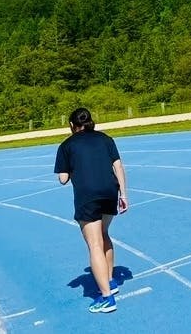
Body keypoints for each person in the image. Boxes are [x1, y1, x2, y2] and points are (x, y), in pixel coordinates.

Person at [54, 108, 128, 314]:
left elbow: (63, 178)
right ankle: (110, 280)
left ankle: (107, 297)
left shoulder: (67, 145)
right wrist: (123, 194)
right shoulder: (105, 139)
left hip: (88, 196)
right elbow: (118, 166)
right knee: (104, 234)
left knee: (94, 244)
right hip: (110, 191)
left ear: (72, 125)